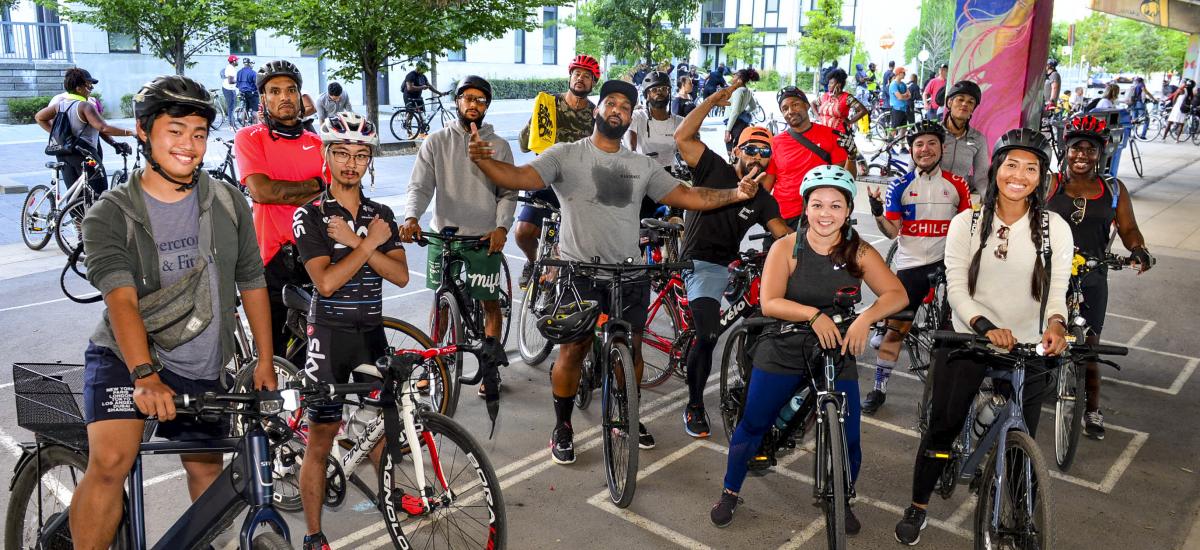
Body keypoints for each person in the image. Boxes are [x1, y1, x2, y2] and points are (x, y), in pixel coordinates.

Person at [467, 79, 763, 465]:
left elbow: (689, 196)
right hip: (580, 272)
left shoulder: (641, 166)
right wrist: (486, 162)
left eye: (625, 105)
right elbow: (520, 177)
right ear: (597, 109)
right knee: (573, 349)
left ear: (629, 118)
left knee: (632, 349)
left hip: (629, 273)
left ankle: (626, 414)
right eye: (611, 102)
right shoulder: (566, 154)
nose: (618, 109)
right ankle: (563, 425)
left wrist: (736, 195)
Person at [71, 75, 276, 549]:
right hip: (128, 361)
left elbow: (251, 281)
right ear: (144, 132)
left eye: (199, 134)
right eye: (175, 130)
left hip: (203, 365)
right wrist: (144, 373)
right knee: (110, 462)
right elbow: (120, 300)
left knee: (209, 475)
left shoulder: (227, 202)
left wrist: (264, 361)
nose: (189, 145)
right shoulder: (110, 214)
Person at [894, 129, 1073, 545]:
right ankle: (918, 506)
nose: (1020, 175)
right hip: (968, 339)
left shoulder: (1054, 228)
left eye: (1032, 168)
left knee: (1022, 438)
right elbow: (956, 288)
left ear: (1041, 177)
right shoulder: (968, 222)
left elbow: (1057, 291)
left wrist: (1057, 326)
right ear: (995, 170)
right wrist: (984, 328)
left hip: (1029, 346)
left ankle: (1019, 513)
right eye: (1012, 164)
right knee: (943, 428)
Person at [709, 164, 907, 531]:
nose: (825, 214)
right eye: (817, 204)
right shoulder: (786, 247)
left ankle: (843, 498)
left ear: (848, 210)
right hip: (785, 341)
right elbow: (769, 302)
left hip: (836, 346)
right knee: (754, 423)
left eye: (835, 206)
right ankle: (730, 490)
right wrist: (814, 315)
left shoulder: (858, 251)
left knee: (849, 436)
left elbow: (896, 293)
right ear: (805, 207)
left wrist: (866, 317)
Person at [292, 112, 409, 550]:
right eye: (341, 152)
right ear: (326, 155)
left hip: (371, 333)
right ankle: (314, 533)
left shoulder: (381, 214)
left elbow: (399, 275)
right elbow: (325, 282)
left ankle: (390, 500)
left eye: (361, 155)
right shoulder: (312, 215)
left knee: (379, 429)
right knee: (321, 439)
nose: (351, 163)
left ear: (369, 162)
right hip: (330, 335)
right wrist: (367, 244)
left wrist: (365, 241)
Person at [674, 85, 791, 438]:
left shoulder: (763, 200)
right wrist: (711, 102)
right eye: (751, 149)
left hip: (730, 263)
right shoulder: (714, 169)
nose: (757, 158)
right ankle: (694, 404)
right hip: (699, 263)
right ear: (737, 151)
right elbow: (682, 136)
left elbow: (785, 237)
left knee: (765, 319)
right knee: (708, 334)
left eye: (765, 153)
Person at [401, 75, 516, 400]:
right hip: (444, 236)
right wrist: (411, 217)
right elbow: (420, 186)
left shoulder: (500, 145)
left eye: (480, 100)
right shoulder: (436, 141)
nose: (473, 104)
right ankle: (436, 364)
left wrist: (502, 228)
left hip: (484, 238)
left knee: (489, 304)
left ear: (487, 106)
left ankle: (490, 369)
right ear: (457, 102)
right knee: (440, 302)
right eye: (467, 98)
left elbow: (508, 192)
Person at [1046, 114, 1153, 440]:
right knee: (1035, 336)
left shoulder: (1112, 188)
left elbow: (1128, 228)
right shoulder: (1050, 184)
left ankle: (1092, 407)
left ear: (1101, 153)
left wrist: (1138, 249)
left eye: (1089, 150)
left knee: (1090, 346)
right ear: (1065, 150)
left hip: (1092, 275)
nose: (1082, 155)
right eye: (1076, 148)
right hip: (1050, 273)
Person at [862, 120, 971, 414]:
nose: (925, 149)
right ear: (911, 150)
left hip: (948, 263)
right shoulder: (900, 185)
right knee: (896, 330)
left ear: (941, 148)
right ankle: (879, 387)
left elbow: (968, 229)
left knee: (956, 330)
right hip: (912, 265)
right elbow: (892, 231)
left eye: (931, 143)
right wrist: (876, 214)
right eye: (919, 144)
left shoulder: (957, 184)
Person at [235, 60, 326, 359]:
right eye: (274, 91)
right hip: (271, 259)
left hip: (316, 254)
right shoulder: (250, 137)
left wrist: (284, 190)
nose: (284, 97)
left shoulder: (318, 143)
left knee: (314, 350)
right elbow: (262, 191)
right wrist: (313, 185)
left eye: (291, 90)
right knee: (271, 353)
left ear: (301, 96)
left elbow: (333, 193)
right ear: (263, 98)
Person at [512, 54, 600, 288]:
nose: (580, 79)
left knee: (566, 247)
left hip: (575, 186)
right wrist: (536, 119)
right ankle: (532, 262)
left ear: (593, 83)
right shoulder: (549, 104)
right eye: (576, 74)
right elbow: (524, 145)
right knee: (522, 232)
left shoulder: (594, 114)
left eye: (587, 76)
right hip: (543, 178)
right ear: (570, 77)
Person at [35, 68, 134, 196]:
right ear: (78, 88)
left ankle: (74, 215)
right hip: (85, 155)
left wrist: (60, 136)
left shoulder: (60, 104)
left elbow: (39, 117)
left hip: (63, 153)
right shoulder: (85, 106)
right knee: (99, 192)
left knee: (75, 195)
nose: (91, 89)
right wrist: (130, 132)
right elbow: (103, 127)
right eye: (88, 86)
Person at [768, 86, 855, 227]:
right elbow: (766, 185)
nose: (790, 111)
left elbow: (847, 180)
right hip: (782, 217)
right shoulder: (775, 142)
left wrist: (852, 157)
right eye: (785, 108)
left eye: (795, 104)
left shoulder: (832, 136)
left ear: (807, 105)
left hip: (819, 216)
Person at [939, 80, 989, 197]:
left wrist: (989, 201)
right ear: (950, 103)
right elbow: (912, 171)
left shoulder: (978, 139)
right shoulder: (932, 133)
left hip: (958, 199)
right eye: (960, 99)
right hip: (929, 198)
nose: (965, 104)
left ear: (973, 109)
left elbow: (981, 178)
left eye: (970, 102)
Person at [629, 70, 686, 167]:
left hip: (671, 177)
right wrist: (632, 154)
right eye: (654, 90)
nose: (659, 92)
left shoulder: (680, 122)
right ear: (647, 95)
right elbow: (630, 143)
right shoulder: (637, 117)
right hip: (643, 174)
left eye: (664, 89)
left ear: (669, 93)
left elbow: (687, 152)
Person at [814, 68, 868, 135]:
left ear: (838, 84)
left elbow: (863, 110)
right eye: (829, 83)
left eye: (831, 83)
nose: (828, 85)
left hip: (840, 135)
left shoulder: (847, 98)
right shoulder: (825, 96)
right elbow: (813, 103)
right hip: (824, 133)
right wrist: (818, 117)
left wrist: (850, 122)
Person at [723, 68, 761, 154]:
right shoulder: (747, 91)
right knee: (739, 151)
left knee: (733, 153)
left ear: (739, 79)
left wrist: (728, 130)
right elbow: (753, 106)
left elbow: (735, 112)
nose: (733, 78)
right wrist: (743, 112)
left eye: (735, 76)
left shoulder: (738, 91)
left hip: (734, 125)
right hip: (742, 124)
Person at [402, 62, 433, 134]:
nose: (424, 72)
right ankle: (409, 133)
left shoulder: (423, 76)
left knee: (422, 114)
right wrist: (422, 87)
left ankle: (422, 133)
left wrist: (440, 93)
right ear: (419, 68)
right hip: (409, 97)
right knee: (411, 114)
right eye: (423, 70)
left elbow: (429, 86)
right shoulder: (411, 75)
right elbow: (409, 88)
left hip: (418, 97)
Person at [887, 67, 911, 138]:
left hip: (904, 109)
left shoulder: (903, 84)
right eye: (903, 73)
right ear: (899, 74)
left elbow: (909, 95)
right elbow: (899, 97)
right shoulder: (893, 84)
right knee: (894, 129)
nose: (905, 74)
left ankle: (902, 147)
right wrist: (904, 95)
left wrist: (903, 95)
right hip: (897, 109)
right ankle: (889, 145)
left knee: (904, 129)